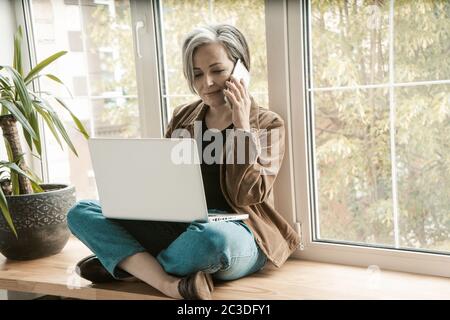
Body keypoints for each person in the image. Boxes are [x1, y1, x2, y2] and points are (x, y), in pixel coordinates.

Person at [67, 24, 300, 300]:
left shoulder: (268, 123)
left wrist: (241, 128)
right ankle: (170, 282)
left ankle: (133, 267)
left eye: (218, 71)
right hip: (180, 228)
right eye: (197, 74)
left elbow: (247, 195)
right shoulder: (183, 117)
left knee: (211, 239)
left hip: (240, 232)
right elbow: (166, 184)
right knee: (81, 211)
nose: (207, 83)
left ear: (241, 69)